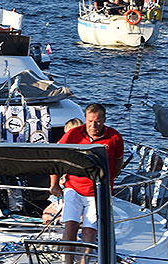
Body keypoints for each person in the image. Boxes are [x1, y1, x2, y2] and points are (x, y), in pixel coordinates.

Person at [49, 103, 123, 252]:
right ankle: (68, 263)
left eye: (97, 121)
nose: (93, 125)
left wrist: (108, 182)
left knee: (89, 230)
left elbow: (117, 164)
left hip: (98, 191)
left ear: (104, 120)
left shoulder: (114, 137)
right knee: (71, 226)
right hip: (73, 187)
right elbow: (56, 158)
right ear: (85, 119)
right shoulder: (73, 134)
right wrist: (54, 184)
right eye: (90, 121)